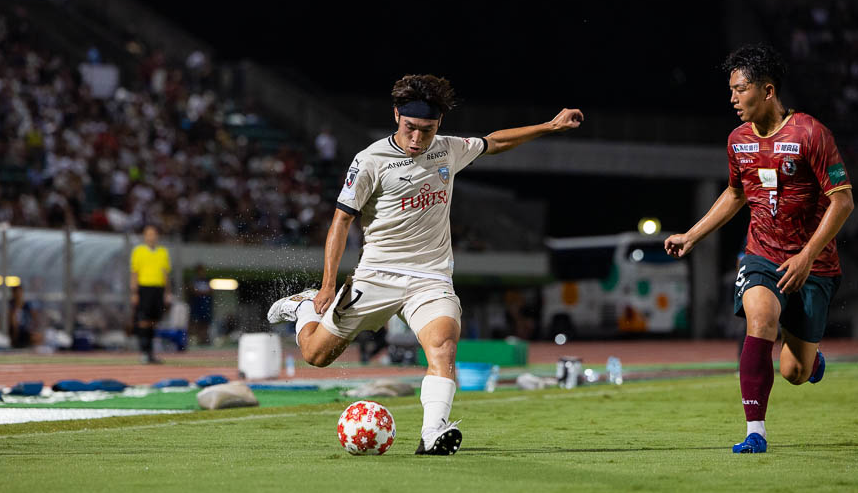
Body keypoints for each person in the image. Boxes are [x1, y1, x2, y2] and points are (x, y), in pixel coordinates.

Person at [268, 74, 583, 455]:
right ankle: (303, 308)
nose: (417, 138)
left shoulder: (448, 149)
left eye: (427, 130)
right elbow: (341, 221)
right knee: (316, 356)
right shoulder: (369, 161)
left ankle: (433, 432)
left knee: (444, 344)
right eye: (410, 128)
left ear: (440, 124)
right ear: (396, 115)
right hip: (377, 275)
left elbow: (495, 142)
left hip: (430, 277)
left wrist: (550, 126)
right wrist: (327, 286)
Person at [665, 44, 853, 454]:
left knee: (795, 372)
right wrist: (692, 235)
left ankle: (810, 358)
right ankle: (756, 432)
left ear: (768, 91)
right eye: (731, 90)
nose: (733, 99)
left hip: (813, 264)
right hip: (762, 254)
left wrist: (806, 256)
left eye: (740, 89)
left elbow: (843, 201)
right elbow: (735, 194)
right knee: (762, 320)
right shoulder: (737, 141)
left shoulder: (810, 134)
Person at [130, 224, 172, 364]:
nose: (151, 237)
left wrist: (167, 292)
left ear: (157, 236)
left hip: (158, 289)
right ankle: (144, 351)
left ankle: (151, 353)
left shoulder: (163, 252)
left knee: (154, 321)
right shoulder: (139, 251)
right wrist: (134, 292)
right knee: (143, 320)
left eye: (153, 234)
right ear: (144, 236)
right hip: (144, 288)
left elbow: (166, 274)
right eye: (148, 234)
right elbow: (134, 272)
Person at [188, 264, 213, 346]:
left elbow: (211, 290)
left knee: (205, 322)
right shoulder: (194, 280)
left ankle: (204, 338)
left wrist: (202, 293)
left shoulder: (207, 280)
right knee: (196, 322)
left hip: (206, 304)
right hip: (197, 304)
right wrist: (202, 293)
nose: (202, 273)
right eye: (200, 271)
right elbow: (192, 290)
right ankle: (197, 338)